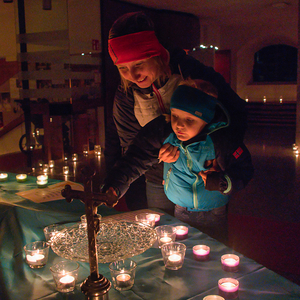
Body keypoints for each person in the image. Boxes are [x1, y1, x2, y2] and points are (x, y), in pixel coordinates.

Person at [105, 11, 248, 215]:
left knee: (204, 239)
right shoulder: (126, 95)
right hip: (156, 178)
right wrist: (158, 156)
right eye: (123, 68)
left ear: (155, 53)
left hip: (202, 177)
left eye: (138, 64)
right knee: (162, 233)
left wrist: (220, 154)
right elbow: (132, 144)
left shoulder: (192, 74)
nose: (133, 75)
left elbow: (234, 113)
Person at [102, 80, 254, 244]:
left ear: (207, 119)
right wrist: (115, 185)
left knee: (215, 251)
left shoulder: (222, 141)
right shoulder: (165, 131)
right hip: (180, 209)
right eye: (175, 116)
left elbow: (244, 168)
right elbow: (136, 157)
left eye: (189, 120)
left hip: (215, 211)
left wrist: (225, 182)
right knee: (182, 249)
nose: (179, 125)